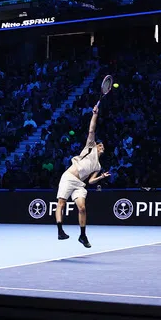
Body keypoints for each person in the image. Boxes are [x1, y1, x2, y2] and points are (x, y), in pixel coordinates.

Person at [56, 104, 110, 248]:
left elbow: (91, 181)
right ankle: (60, 230)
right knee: (61, 203)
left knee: (82, 208)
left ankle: (82, 235)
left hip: (79, 184)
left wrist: (101, 177)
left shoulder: (98, 166)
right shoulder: (90, 147)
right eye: (100, 145)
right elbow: (92, 129)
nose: (102, 147)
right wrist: (95, 114)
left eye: (103, 146)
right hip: (68, 177)